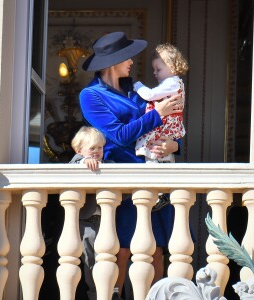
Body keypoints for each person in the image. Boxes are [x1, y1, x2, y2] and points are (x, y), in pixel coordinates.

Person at [79, 31, 183, 299]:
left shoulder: (133, 89)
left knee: (157, 250)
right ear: (114, 62)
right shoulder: (91, 96)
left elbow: (162, 127)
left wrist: (175, 146)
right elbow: (121, 135)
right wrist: (158, 114)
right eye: (128, 57)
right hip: (121, 183)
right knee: (122, 251)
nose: (132, 62)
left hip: (153, 176)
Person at [70, 126, 113, 300]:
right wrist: (83, 163)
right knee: (90, 261)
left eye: (100, 148)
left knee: (107, 259)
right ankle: (94, 295)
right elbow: (72, 167)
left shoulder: (108, 165)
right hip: (86, 221)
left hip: (105, 221)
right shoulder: (78, 162)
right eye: (92, 148)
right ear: (79, 150)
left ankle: (109, 293)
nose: (96, 152)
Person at [134, 43, 189, 163]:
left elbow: (150, 95)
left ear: (172, 66)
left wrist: (138, 86)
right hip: (166, 127)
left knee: (155, 149)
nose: (154, 73)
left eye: (158, 69)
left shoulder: (172, 83)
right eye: (154, 69)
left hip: (163, 126)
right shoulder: (173, 83)